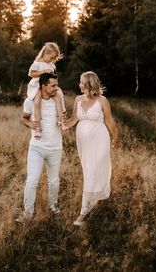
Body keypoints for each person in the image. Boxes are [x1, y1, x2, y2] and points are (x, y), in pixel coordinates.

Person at [65, 71, 119, 226]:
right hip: (83, 144)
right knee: (88, 171)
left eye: (81, 82)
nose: (79, 84)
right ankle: (95, 196)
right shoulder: (78, 99)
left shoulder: (102, 100)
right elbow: (73, 119)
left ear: (88, 83)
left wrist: (115, 137)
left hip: (100, 140)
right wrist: (61, 123)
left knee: (92, 172)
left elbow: (109, 120)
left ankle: (83, 213)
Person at [17, 72, 63, 221]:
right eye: (53, 85)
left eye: (57, 85)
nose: (56, 88)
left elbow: (63, 118)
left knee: (54, 180)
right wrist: (31, 124)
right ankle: (27, 214)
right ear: (43, 86)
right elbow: (24, 118)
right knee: (32, 181)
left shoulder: (58, 100)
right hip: (36, 147)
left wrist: (63, 121)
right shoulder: (30, 101)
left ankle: (53, 206)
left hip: (55, 147)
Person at [27, 42, 67, 139]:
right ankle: (37, 126)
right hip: (37, 85)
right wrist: (43, 72)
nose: (52, 60)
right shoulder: (37, 63)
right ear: (45, 54)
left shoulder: (51, 65)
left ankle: (61, 119)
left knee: (59, 97)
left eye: (54, 59)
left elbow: (52, 78)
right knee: (37, 102)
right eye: (51, 57)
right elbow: (31, 74)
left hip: (48, 87)